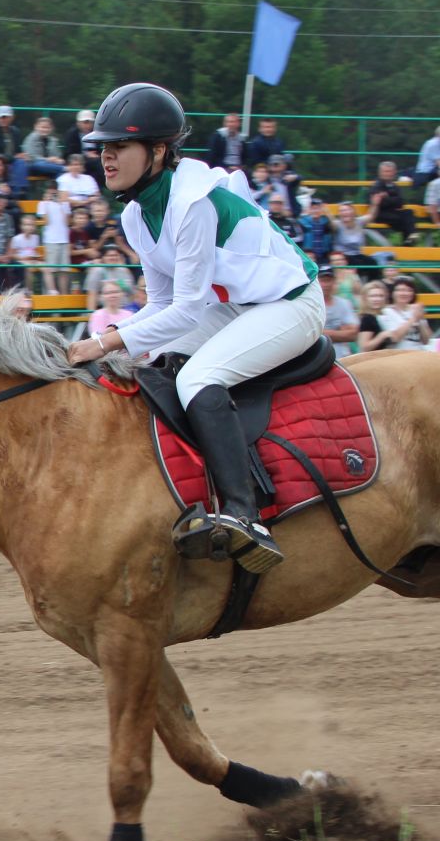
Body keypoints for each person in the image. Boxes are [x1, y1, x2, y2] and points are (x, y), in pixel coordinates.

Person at [66, 83, 321, 574]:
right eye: (103, 148)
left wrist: (100, 340)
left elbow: (183, 310)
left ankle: (246, 516)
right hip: (234, 306)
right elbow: (160, 304)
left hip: (291, 304)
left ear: (158, 151)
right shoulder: (138, 214)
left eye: (119, 147)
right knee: (140, 362)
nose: (106, 158)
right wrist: (111, 345)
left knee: (197, 380)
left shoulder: (192, 202)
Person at [358, 278, 432, 351]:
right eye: (400, 290)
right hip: (398, 355)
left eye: (409, 290)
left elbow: (426, 341)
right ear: (392, 293)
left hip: (418, 352)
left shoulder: (416, 310)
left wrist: (420, 320)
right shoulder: (384, 312)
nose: (404, 293)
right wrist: (413, 319)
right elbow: (395, 338)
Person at [317, 268, 359, 356]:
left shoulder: (344, 303)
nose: (326, 284)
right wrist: (340, 332)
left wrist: (322, 333)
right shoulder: (311, 305)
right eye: (322, 281)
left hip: (341, 355)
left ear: (334, 282)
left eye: (329, 280)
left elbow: (353, 334)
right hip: (318, 355)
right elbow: (310, 335)